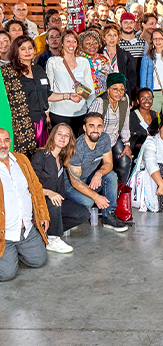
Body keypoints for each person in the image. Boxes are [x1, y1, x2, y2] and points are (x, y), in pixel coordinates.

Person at [0, 128, 50, 281]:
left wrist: (43, 215)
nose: (3, 145)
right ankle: (8, 253)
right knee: (7, 274)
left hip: (25, 230)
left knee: (39, 260)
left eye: (6, 140)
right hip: (4, 234)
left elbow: (36, 188)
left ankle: (14, 253)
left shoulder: (21, 160)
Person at [65, 113, 128, 232]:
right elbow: (75, 181)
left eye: (99, 126)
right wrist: (96, 197)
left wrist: (98, 174)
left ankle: (108, 215)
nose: (95, 130)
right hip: (69, 184)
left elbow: (109, 164)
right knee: (89, 202)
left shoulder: (104, 138)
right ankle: (66, 210)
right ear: (85, 128)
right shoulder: (77, 148)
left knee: (111, 176)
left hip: (89, 177)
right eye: (91, 126)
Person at [32, 124, 89, 254]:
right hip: (39, 202)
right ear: (53, 136)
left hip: (54, 203)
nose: (63, 137)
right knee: (54, 201)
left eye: (66, 135)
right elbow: (29, 185)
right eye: (60, 134)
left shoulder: (61, 159)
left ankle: (46, 233)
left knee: (83, 214)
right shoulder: (40, 155)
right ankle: (52, 239)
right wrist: (48, 192)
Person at [1, 36, 49, 156]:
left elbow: (47, 94)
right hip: (21, 124)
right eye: (23, 49)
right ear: (16, 52)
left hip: (41, 122)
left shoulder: (38, 69)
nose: (27, 51)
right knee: (23, 158)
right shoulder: (7, 72)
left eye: (30, 48)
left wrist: (67, 96)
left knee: (40, 157)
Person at [47, 30, 95, 135]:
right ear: (62, 43)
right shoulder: (53, 62)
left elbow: (90, 88)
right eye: (68, 41)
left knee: (78, 146)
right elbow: (48, 89)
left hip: (80, 111)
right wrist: (47, 112)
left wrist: (92, 112)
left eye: (74, 41)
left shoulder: (84, 62)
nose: (71, 44)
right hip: (59, 112)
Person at [87, 73, 133, 184]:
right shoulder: (100, 102)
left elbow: (125, 122)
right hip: (98, 141)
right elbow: (91, 127)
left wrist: (127, 143)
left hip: (114, 139)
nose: (119, 93)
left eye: (122, 89)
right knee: (103, 169)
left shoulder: (124, 100)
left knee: (125, 161)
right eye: (115, 89)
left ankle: (121, 190)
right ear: (108, 89)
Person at [100, 24, 138, 99]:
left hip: (120, 94)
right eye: (109, 35)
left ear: (118, 38)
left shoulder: (126, 55)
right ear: (104, 37)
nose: (112, 38)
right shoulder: (98, 54)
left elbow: (132, 78)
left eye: (115, 35)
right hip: (102, 93)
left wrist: (130, 98)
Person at [129, 88, 160, 159]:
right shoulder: (131, 116)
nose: (147, 101)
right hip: (137, 152)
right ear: (138, 101)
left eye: (150, 98)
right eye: (143, 98)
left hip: (155, 151)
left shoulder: (156, 115)